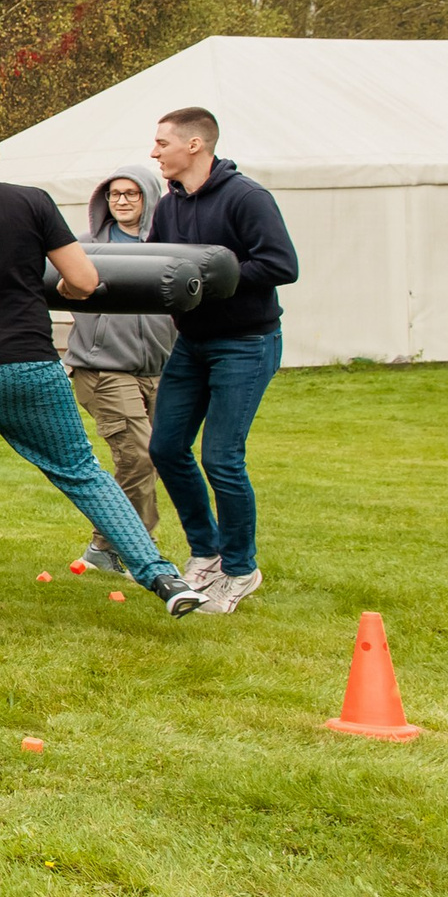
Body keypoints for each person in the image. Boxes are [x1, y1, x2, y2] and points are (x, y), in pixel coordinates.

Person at [0, 116, 207, 633]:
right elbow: (84, 278)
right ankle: (165, 578)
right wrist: (66, 291)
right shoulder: (32, 202)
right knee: (83, 473)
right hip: (31, 368)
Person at [147, 107, 299, 616]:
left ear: (194, 145)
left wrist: (213, 280)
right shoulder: (168, 205)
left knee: (222, 458)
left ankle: (239, 569)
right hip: (191, 344)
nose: (154, 152)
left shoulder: (246, 197)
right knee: (166, 447)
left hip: (245, 343)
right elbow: (157, 265)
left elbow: (281, 264)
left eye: (162, 143)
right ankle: (206, 552)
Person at [62, 168, 174, 576]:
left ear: (150, 198)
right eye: (114, 194)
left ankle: (103, 546)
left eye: (132, 194)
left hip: (159, 368)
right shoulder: (84, 248)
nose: (122, 201)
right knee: (138, 456)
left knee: (155, 457)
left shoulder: (169, 246)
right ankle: (139, 549)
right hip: (102, 368)